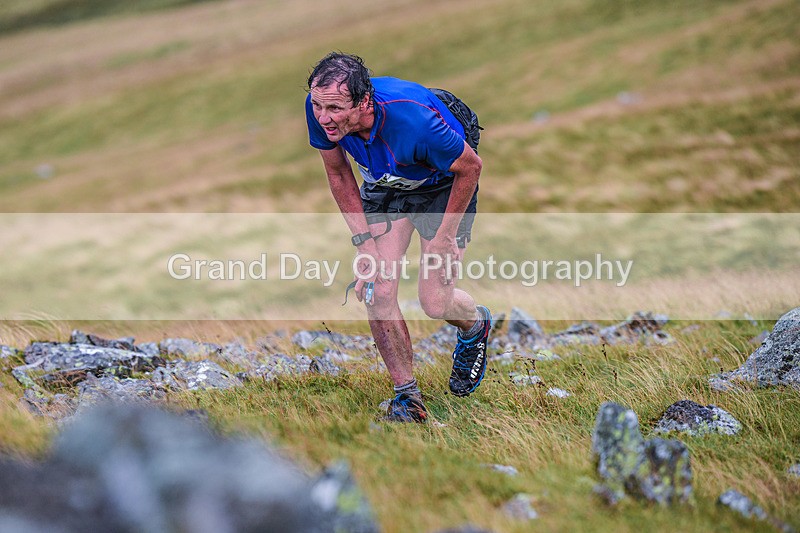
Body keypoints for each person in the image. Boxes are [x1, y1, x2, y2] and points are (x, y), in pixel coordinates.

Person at [305, 52, 491, 423]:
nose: (323, 117)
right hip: (386, 184)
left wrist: (443, 237)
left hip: (441, 186)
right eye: (317, 105)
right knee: (377, 290)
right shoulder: (320, 109)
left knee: (435, 302)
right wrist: (365, 245)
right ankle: (408, 400)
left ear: (363, 102)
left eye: (335, 108)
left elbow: (470, 168)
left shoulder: (415, 121)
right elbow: (339, 174)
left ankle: (476, 325)